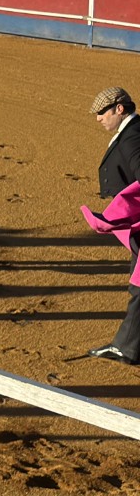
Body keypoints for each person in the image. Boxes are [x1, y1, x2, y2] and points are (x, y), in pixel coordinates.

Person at [86, 87, 140, 364]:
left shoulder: (132, 138)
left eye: (101, 112)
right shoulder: (134, 131)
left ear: (120, 109)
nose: (98, 119)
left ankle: (127, 348)